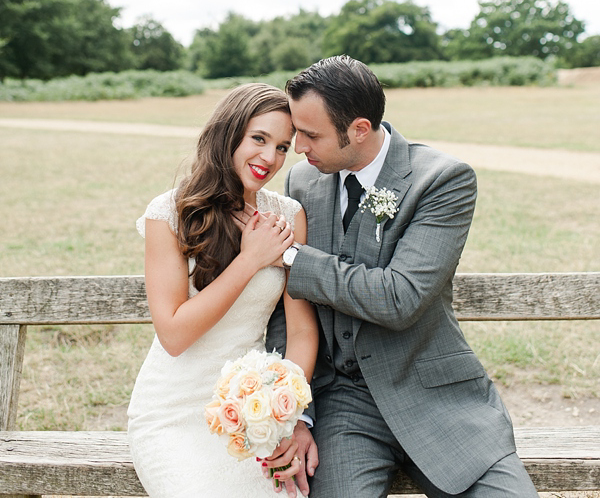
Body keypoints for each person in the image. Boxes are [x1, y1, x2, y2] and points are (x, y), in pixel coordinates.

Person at [266, 56, 539, 498]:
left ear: (358, 129)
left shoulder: (442, 180)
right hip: (343, 408)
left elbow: (401, 298)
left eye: (311, 134)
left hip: (437, 399)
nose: (298, 146)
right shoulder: (300, 183)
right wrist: (296, 413)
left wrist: (294, 258)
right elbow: (288, 311)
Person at [128, 83, 318, 498]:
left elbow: (302, 332)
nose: (270, 158)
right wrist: (250, 259)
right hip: (172, 412)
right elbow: (174, 335)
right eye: (259, 139)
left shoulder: (288, 217)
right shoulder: (170, 214)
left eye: (284, 147)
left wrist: (285, 414)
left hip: (252, 413)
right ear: (228, 133)